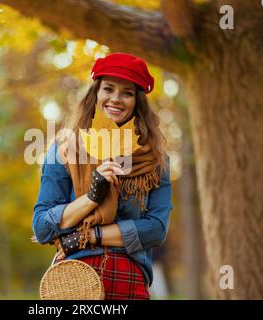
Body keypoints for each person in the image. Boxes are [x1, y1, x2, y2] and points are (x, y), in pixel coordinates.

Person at [33, 52, 173, 300]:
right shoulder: (65, 150)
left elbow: (156, 229)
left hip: (128, 278)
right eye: (108, 89)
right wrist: (92, 196)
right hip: (75, 280)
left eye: (127, 93)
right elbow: (42, 226)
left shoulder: (155, 160)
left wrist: (84, 237)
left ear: (137, 101)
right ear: (95, 93)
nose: (116, 99)